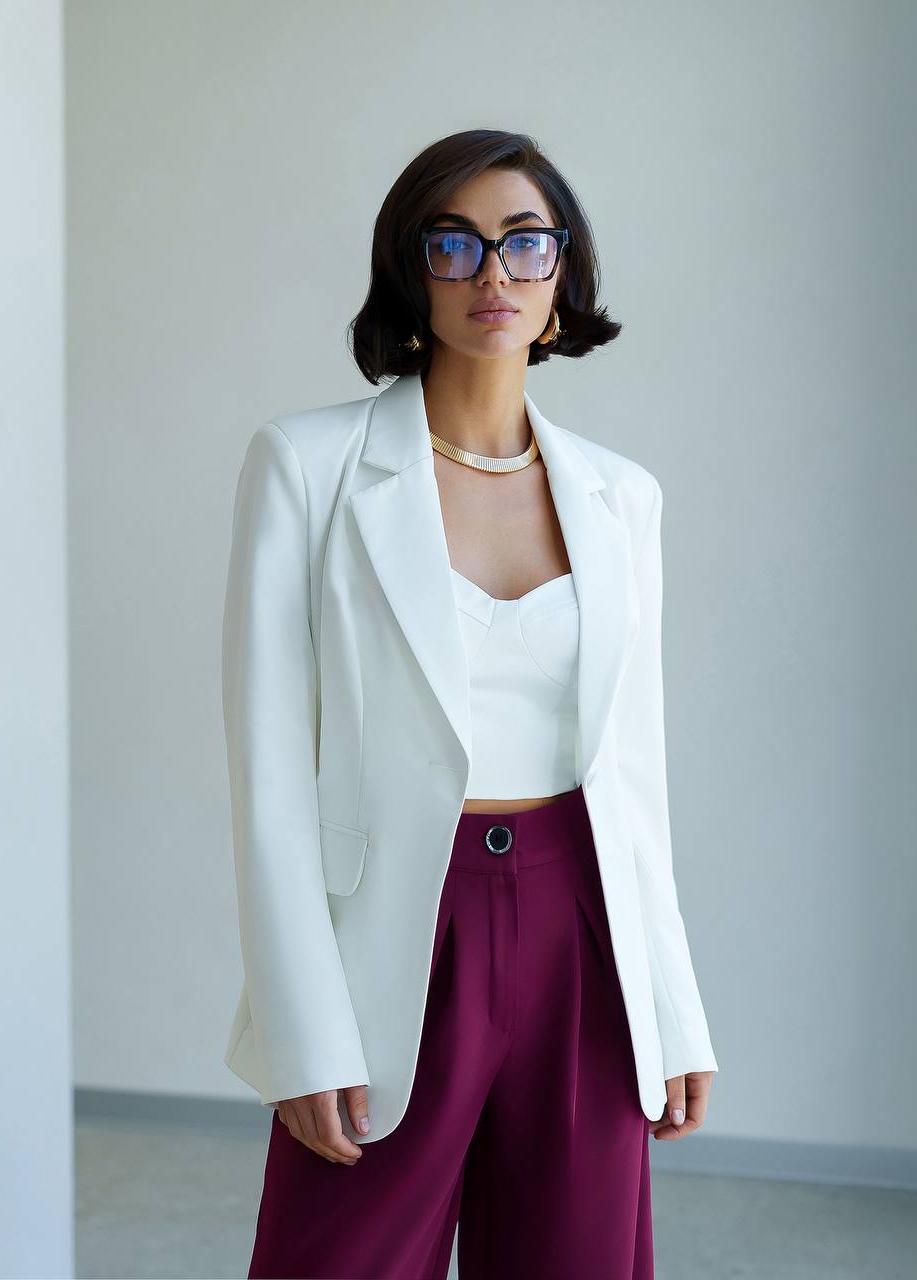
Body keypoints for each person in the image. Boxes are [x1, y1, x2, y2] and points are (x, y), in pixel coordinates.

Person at [220, 128, 719, 1280]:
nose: (491, 272)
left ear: (561, 272)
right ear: (413, 271)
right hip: (395, 925)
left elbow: (633, 775)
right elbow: (268, 771)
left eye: (522, 242)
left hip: (579, 923)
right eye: (453, 244)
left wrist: (673, 1005)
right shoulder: (306, 466)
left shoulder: (620, 497)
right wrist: (300, 1027)